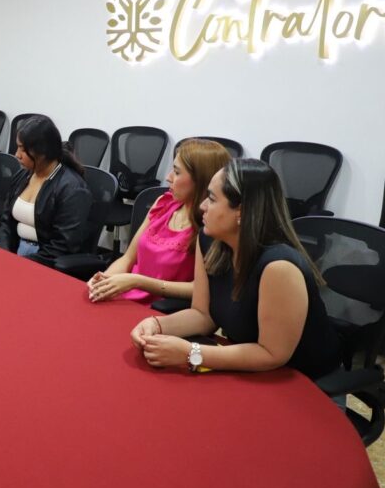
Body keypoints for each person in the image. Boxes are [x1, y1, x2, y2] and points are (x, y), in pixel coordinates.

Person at [130, 159, 340, 380]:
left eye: (212, 199)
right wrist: (156, 324)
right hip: (247, 367)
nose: (202, 206)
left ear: (241, 211)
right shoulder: (209, 240)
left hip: (302, 381)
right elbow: (203, 315)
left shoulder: (279, 267)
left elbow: (272, 354)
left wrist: (192, 354)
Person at [88, 139, 231, 305]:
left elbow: (201, 289)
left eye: (177, 172)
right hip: (125, 297)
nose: (168, 177)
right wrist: (104, 281)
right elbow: (127, 259)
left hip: (161, 309)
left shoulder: (210, 224)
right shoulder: (163, 204)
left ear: (200, 180)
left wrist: (138, 282)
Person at [0, 115, 92, 268]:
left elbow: (62, 246)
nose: (17, 154)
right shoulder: (23, 175)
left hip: (45, 261)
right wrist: (3, 254)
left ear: (42, 151)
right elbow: (6, 221)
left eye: (23, 149)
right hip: (15, 252)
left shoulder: (72, 189)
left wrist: (20, 264)